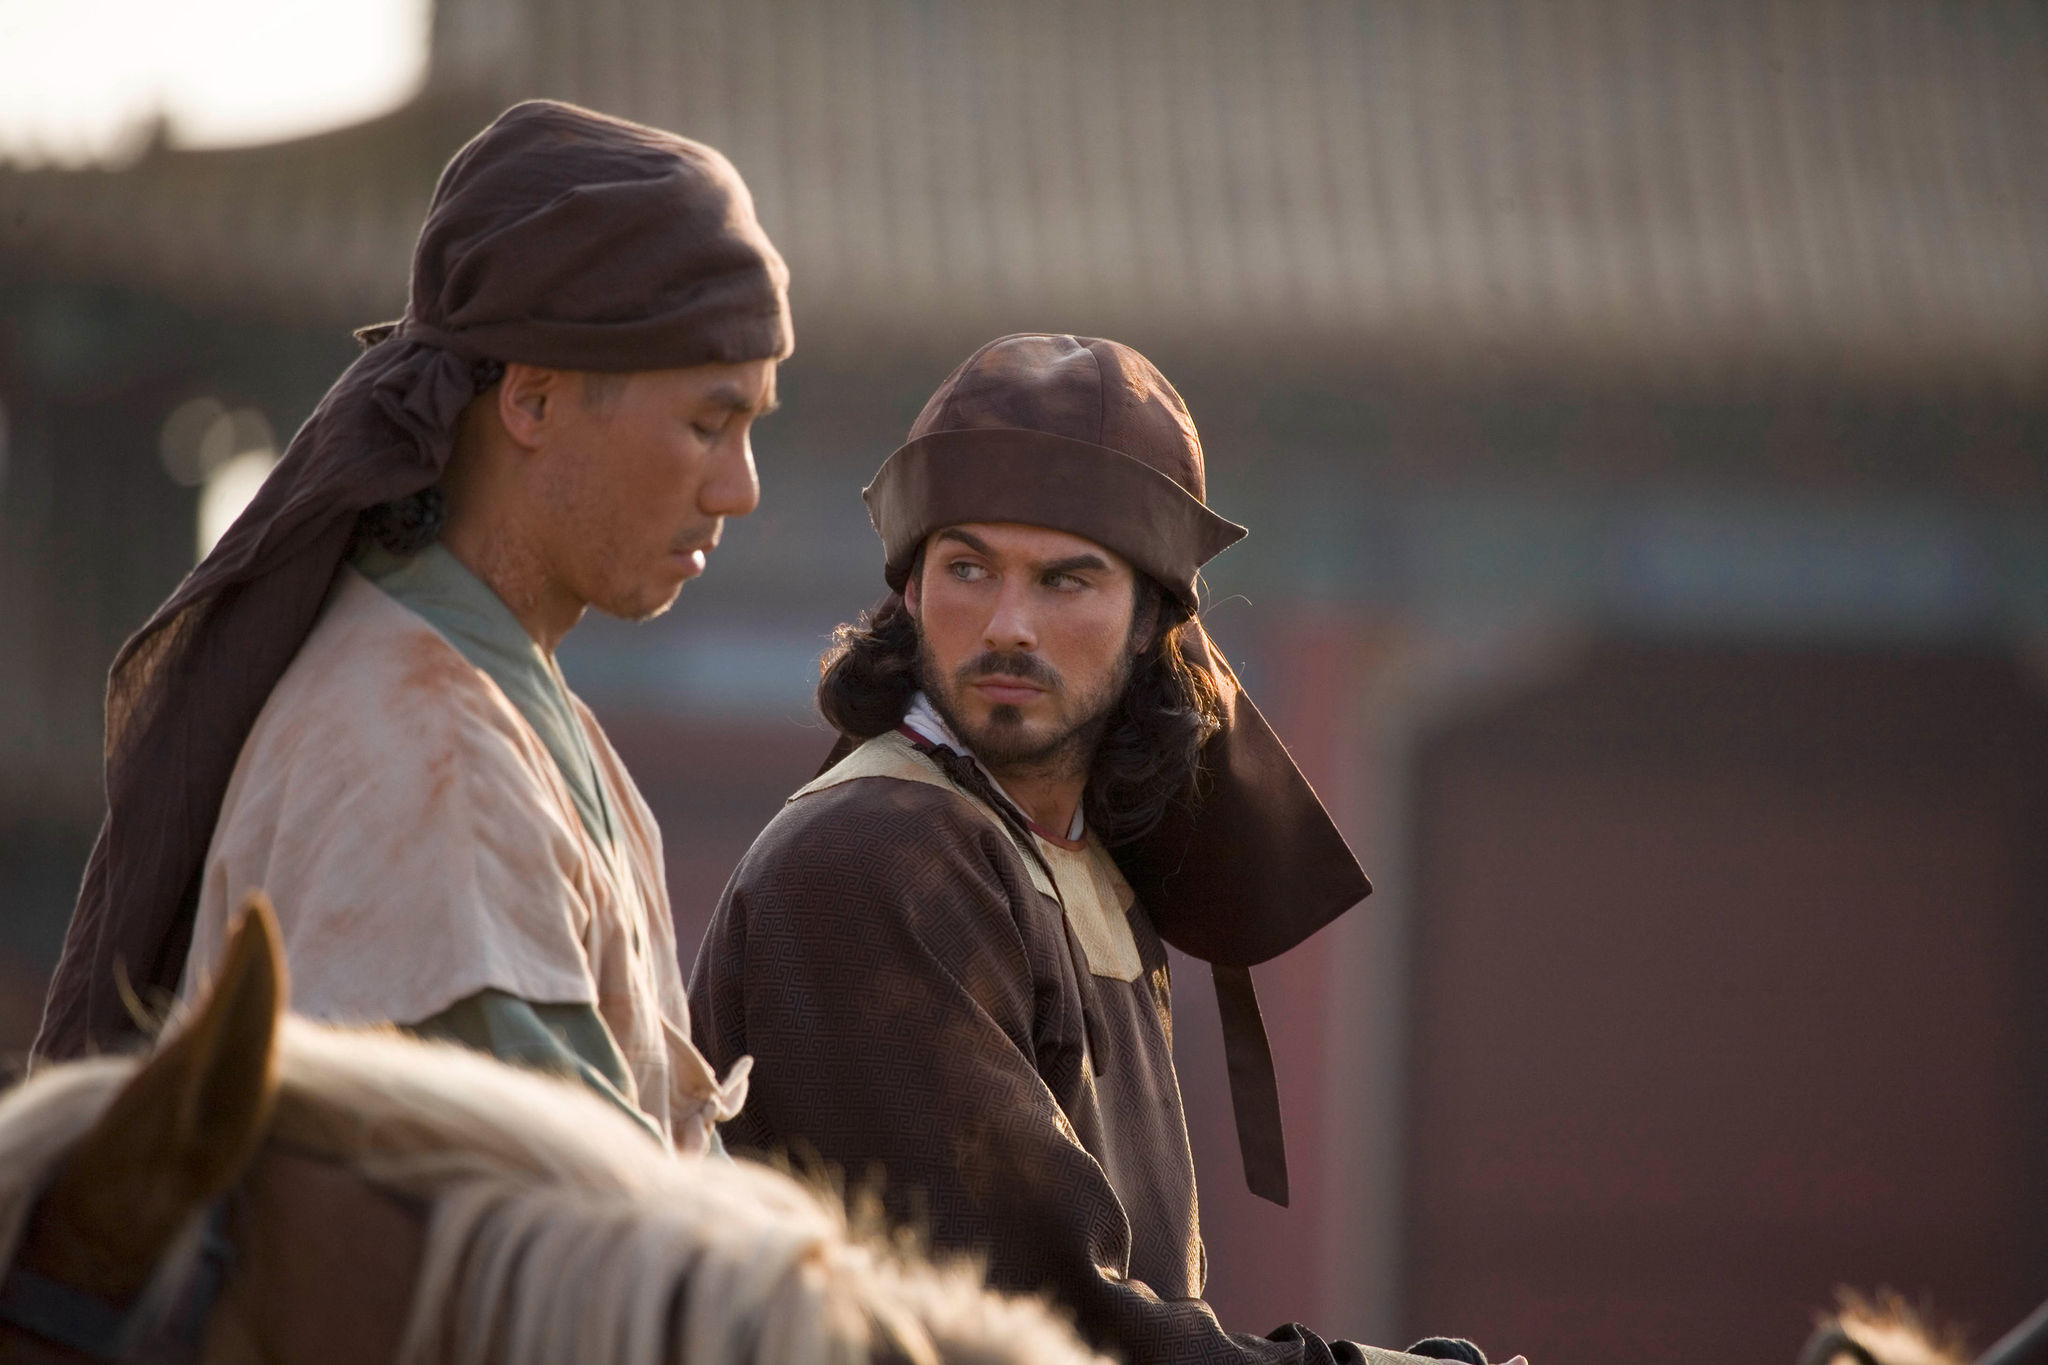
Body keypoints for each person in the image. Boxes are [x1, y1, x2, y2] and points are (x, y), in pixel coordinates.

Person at [690, 334, 1481, 1362]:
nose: (1007, 624)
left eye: (1066, 581)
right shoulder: (876, 854)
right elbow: (1043, 1325)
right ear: (911, 590)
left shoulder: (1073, 861)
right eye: (967, 568)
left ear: (1152, 618)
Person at [34, 100, 790, 1153]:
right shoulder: (428, 750)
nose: (740, 489)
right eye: (709, 423)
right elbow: (552, 1220)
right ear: (532, 400)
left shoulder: (475, 700)